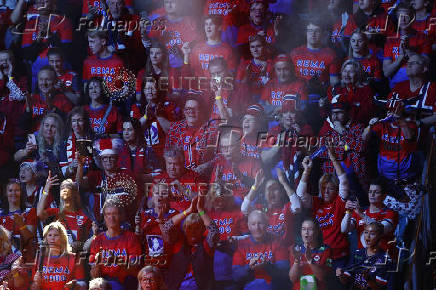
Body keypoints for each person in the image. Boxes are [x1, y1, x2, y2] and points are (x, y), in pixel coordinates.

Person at [296, 147, 350, 268]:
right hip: (320, 254)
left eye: (330, 188)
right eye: (323, 188)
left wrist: (334, 159)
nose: (325, 191)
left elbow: (344, 182)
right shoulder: (316, 202)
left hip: (339, 254)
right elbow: (300, 194)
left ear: (336, 190)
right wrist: (306, 171)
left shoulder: (339, 201)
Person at [166, 195, 219, 289]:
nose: (193, 231)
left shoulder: (207, 244)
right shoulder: (179, 242)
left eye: (197, 228)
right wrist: (189, 210)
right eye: (189, 228)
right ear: (184, 229)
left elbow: (214, 230)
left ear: (203, 230)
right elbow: (167, 226)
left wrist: (200, 210)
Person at [89, 200, 142, 290]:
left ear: (121, 216)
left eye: (115, 214)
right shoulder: (98, 240)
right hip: (104, 282)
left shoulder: (131, 238)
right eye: (108, 214)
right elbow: (93, 274)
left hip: (125, 282)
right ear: (104, 217)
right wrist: (96, 266)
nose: (111, 218)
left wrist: (118, 261)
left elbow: (134, 268)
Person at [232, 210, 290, 289]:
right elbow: (236, 276)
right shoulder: (242, 245)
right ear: (248, 226)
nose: (257, 227)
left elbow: (284, 273)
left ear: (266, 224)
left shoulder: (277, 241)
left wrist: (267, 265)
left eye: (260, 223)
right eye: (253, 224)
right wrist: (249, 267)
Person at [241, 168, 301, 244]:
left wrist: (284, 183)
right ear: (265, 194)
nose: (271, 192)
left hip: (285, 251)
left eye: (275, 189)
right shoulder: (260, 209)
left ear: (282, 193)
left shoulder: (286, 208)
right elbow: (244, 209)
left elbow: (297, 206)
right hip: (265, 250)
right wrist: (255, 185)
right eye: (268, 189)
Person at [341, 177, 398, 254]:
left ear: (384, 196)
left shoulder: (390, 213)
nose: (372, 195)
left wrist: (361, 214)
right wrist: (349, 212)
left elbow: (379, 229)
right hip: (362, 258)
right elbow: (344, 229)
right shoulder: (361, 211)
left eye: (376, 192)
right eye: (370, 191)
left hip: (383, 258)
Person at [37, 176, 92, 253]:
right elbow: (39, 213)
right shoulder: (55, 213)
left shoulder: (85, 215)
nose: (64, 189)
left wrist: (80, 245)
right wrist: (46, 190)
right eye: (62, 187)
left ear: (75, 193)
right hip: (57, 257)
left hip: (76, 258)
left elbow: (89, 241)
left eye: (68, 186)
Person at [165, 94, 217, 174]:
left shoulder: (212, 130)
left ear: (202, 110)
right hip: (180, 177)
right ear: (183, 111)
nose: (191, 112)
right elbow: (167, 153)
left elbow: (221, 156)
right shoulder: (175, 129)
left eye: (195, 109)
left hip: (204, 177)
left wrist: (206, 165)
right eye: (188, 109)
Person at [30, 222, 86, 289]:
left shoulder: (74, 258)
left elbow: (83, 284)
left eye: (56, 235)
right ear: (46, 239)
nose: (52, 238)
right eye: (49, 235)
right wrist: (36, 283)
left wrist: (75, 285)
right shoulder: (39, 259)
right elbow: (33, 287)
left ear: (63, 239)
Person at [336, 222, 393, 289]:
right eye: (366, 232)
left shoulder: (385, 259)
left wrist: (368, 279)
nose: (367, 236)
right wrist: (340, 275)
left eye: (372, 234)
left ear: (380, 236)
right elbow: (346, 281)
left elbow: (381, 288)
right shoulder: (358, 254)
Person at [152, 147, 205, 212]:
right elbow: (149, 204)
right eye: (169, 163)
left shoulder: (194, 177)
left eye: (176, 164)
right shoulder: (159, 179)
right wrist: (160, 195)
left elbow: (202, 202)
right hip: (166, 217)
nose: (172, 168)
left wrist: (182, 188)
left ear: (183, 164)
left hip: (189, 217)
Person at [325, 59, 375, 124]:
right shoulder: (335, 89)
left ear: (358, 74)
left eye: (351, 72)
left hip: (357, 124)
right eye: (345, 71)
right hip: (335, 124)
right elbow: (329, 113)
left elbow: (366, 114)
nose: (347, 75)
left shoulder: (366, 90)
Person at [289, 219, 333, 290]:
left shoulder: (326, 250)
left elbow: (323, 277)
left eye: (310, 229)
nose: (306, 232)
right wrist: (296, 260)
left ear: (317, 232)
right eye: (303, 229)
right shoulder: (295, 249)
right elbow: (292, 278)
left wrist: (310, 260)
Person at [118, 118, 163, 183]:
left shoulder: (148, 151)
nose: (126, 133)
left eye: (129, 130)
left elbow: (159, 174)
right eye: (124, 130)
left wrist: (143, 177)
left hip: (144, 187)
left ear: (137, 131)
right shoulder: (120, 151)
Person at [62, 106, 95, 177]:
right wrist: (71, 166)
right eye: (74, 121)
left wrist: (94, 155)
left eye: (79, 120)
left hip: (90, 179)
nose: (76, 124)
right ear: (70, 123)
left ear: (85, 122)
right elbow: (63, 173)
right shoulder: (64, 143)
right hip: (71, 182)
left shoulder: (94, 140)